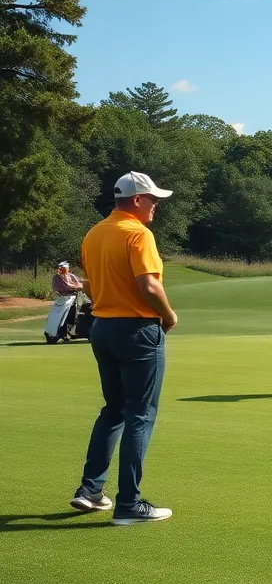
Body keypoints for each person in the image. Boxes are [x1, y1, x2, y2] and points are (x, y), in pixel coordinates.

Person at [70, 171, 178, 525]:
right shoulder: (138, 233)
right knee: (139, 415)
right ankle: (129, 503)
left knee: (113, 410)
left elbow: (90, 284)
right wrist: (168, 316)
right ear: (136, 200)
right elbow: (149, 285)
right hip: (138, 330)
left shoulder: (94, 234)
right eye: (153, 199)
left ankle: (90, 489)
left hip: (102, 328)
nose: (155, 205)